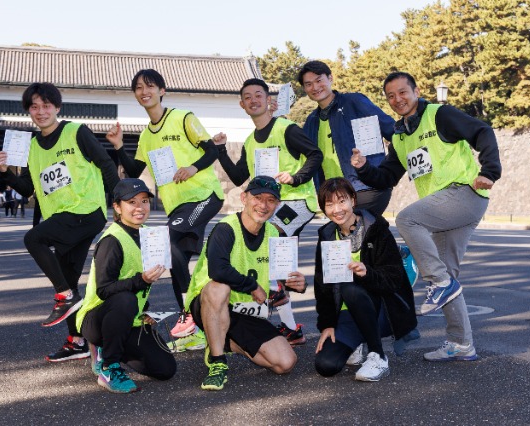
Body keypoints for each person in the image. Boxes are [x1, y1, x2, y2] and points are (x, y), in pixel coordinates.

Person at [352, 71, 502, 361]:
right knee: (447, 273)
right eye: (391, 96)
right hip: (442, 208)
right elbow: (387, 177)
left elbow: (482, 131)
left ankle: (439, 282)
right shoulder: (399, 136)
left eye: (402, 92)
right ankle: (461, 343)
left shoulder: (439, 115)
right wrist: (363, 168)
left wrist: (490, 171)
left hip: (464, 193)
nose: (397, 99)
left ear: (416, 91)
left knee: (407, 219)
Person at [0, 82, 120, 362]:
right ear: (29, 111)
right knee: (69, 277)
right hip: (61, 218)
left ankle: (64, 295)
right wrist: (4, 172)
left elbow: (106, 164)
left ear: (57, 108)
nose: (41, 112)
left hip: (86, 211)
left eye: (46, 105)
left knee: (34, 239)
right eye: (34, 107)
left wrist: (120, 200)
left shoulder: (76, 131)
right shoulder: (31, 146)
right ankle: (77, 342)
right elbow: (27, 189)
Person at [106, 69, 224, 350]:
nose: (144, 91)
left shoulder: (183, 118)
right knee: (175, 259)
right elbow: (134, 171)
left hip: (204, 195)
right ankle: (196, 327)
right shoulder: (146, 136)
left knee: (166, 242)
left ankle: (190, 316)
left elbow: (211, 150)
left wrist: (192, 168)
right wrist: (119, 146)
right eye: (138, 88)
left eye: (149, 86)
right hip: (177, 207)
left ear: (162, 90)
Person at [213, 78, 323, 346]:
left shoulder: (286, 129)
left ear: (268, 100)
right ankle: (290, 328)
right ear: (242, 104)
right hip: (272, 205)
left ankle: (278, 303)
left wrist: (296, 177)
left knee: (271, 241)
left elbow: (315, 155)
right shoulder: (250, 141)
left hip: (297, 200)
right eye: (247, 97)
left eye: (258, 95)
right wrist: (220, 150)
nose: (253, 100)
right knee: (274, 257)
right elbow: (239, 176)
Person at [184, 176, 307, 391]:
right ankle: (217, 361)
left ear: (277, 205)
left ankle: (223, 341)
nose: (263, 205)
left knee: (285, 363)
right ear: (244, 198)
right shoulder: (226, 228)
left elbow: (282, 277)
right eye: (257, 198)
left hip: (245, 309)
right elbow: (218, 270)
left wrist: (297, 284)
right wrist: (252, 286)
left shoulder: (274, 233)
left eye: (270, 200)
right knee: (219, 287)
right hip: (211, 304)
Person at [76, 178, 176, 394]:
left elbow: (136, 285)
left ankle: (109, 346)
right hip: (97, 319)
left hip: (127, 316)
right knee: (125, 300)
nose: (140, 207)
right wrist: (142, 280)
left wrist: (144, 309)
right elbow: (104, 290)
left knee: (165, 369)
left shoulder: (149, 235)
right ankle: (109, 366)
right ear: (117, 207)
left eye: (144, 201)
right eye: (132, 202)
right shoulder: (112, 240)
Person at [313, 178, 417, 381]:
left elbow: (394, 278)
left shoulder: (376, 229)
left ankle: (378, 355)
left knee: (350, 288)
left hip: (381, 311)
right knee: (326, 365)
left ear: (353, 200)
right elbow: (322, 286)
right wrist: (327, 324)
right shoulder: (327, 235)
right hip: (347, 314)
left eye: (342, 201)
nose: (337, 209)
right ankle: (356, 342)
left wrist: (368, 272)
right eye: (330, 204)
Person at [298, 60, 395, 216]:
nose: (315, 87)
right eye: (308, 84)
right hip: (333, 193)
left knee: (356, 226)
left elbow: (391, 129)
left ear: (330, 78)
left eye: (319, 80)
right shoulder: (312, 121)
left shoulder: (353, 102)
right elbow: (301, 154)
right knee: (356, 230)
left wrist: (391, 168)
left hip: (366, 187)